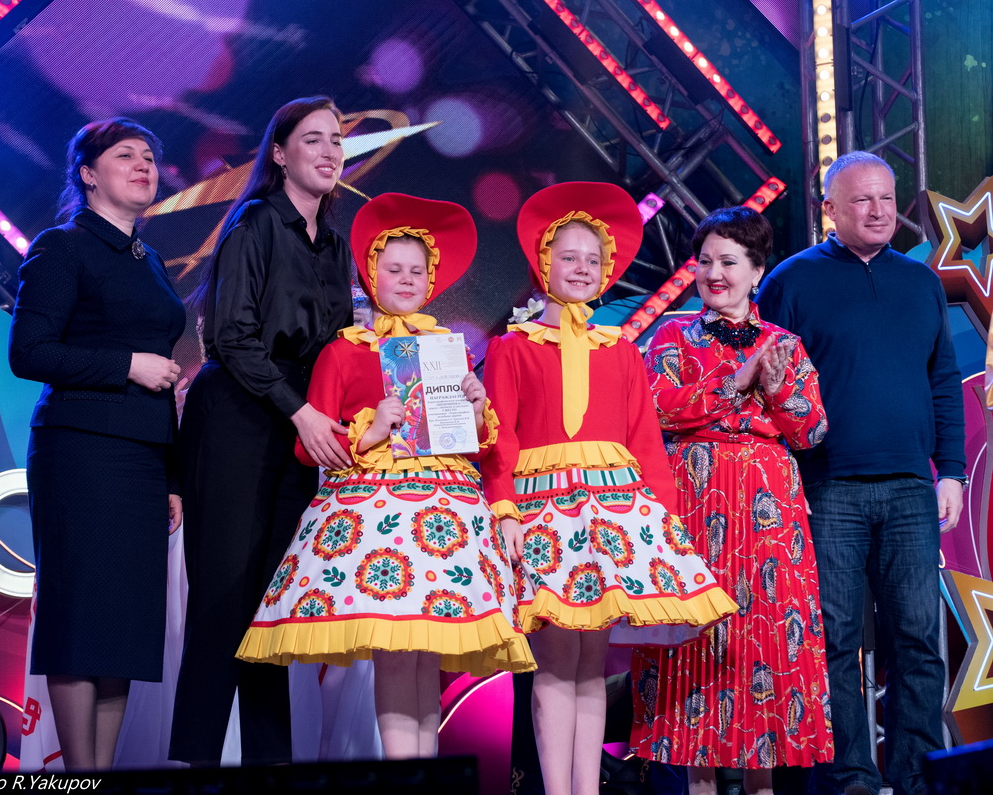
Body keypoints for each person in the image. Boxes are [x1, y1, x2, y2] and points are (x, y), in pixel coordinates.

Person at [237, 192, 535, 758]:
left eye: (416, 271)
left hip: (445, 518)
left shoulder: (445, 351)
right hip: (378, 522)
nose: (405, 280)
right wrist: (372, 430)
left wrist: (475, 408)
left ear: (431, 280)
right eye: (393, 269)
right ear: (370, 275)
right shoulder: (343, 352)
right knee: (397, 656)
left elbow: (472, 445)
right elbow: (308, 447)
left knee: (425, 659)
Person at [482, 181, 737, 795]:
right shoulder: (512, 348)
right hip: (543, 515)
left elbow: (644, 439)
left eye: (592, 260)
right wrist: (505, 510)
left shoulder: (620, 351)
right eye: (568, 257)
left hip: (610, 514)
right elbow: (500, 438)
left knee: (591, 664)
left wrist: (666, 520)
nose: (581, 268)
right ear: (544, 264)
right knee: (553, 661)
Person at [757, 151, 966, 795]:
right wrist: (787, 483)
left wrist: (951, 472)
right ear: (829, 208)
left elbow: (943, 379)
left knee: (917, 640)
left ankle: (917, 777)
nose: (879, 212)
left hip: (910, 488)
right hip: (827, 489)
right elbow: (770, 389)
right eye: (862, 200)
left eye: (887, 199)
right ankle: (847, 778)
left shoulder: (921, 281)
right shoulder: (791, 281)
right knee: (833, 640)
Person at [170, 97, 354, 766]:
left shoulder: (336, 244)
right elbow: (231, 338)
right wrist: (300, 409)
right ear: (280, 154)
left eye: (337, 140)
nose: (330, 152)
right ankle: (193, 762)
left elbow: (341, 351)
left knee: (271, 614)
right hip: (237, 419)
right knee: (223, 603)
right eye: (314, 139)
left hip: (296, 432)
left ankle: (270, 765)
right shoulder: (254, 223)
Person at [631, 207, 833, 795]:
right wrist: (732, 384)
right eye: (705, 261)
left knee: (765, 636)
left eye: (728, 262)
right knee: (699, 638)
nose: (714, 273)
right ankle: (698, 780)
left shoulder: (784, 346)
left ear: (756, 271)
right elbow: (654, 410)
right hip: (693, 495)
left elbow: (813, 431)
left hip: (768, 502)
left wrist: (775, 387)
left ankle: (762, 781)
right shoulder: (672, 337)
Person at [8, 118, 185, 770]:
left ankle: (101, 775)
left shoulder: (151, 260)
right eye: (125, 155)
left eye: (150, 158)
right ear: (87, 173)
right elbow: (29, 352)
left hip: (142, 459)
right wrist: (126, 365)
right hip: (81, 453)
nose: (143, 165)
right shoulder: (63, 246)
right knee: (83, 623)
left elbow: (160, 370)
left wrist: (171, 477)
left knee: (123, 633)